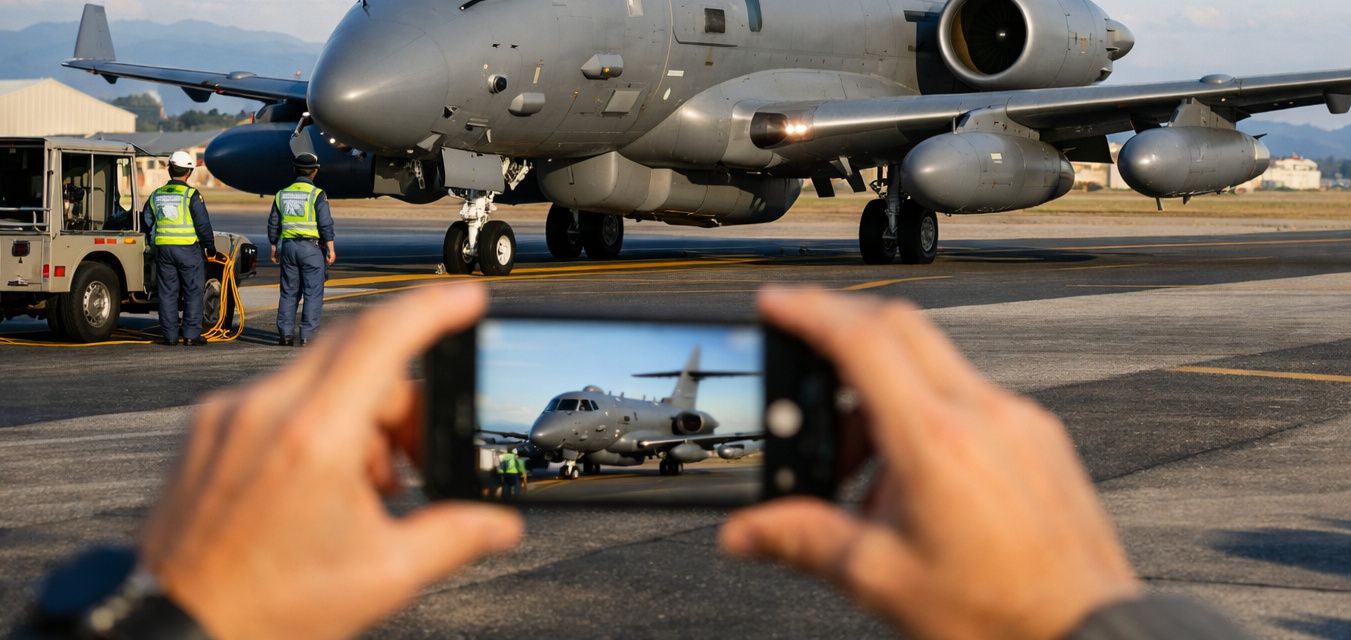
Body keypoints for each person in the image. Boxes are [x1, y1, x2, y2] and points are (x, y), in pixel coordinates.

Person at [19, 284, 1247, 639]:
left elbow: (696, 431)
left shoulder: (665, 422)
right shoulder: (564, 421)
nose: (555, 426)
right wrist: (1093, 620)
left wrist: (161, 612)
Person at [141, 150, 215, 347]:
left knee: (167, 293)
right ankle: (191, 335)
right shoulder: (191, 194)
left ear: (169, 170)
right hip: (188, 250)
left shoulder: (156, 195)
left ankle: (170, 336)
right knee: (193, 291)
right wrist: (210, 247)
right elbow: (203, 225)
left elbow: (146, 220)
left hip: (164, 250)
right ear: (188, 173)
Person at [267, 152, 336, 347]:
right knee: (312, 293)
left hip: (288, 248)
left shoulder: (282, 194)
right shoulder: (317, 194)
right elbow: (325, 224)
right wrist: (330, 247)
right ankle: (307, 335)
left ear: (294, 170)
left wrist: (274, 246)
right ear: (315, 172)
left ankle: (285, 335)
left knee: (289, 292)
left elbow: (273, 223)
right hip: (312, 249)